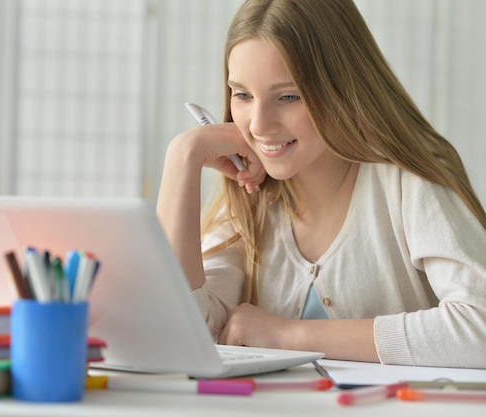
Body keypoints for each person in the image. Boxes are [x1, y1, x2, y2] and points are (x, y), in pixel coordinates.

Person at [156, 0, 486, 369]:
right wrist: (183, 157)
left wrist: (286, 336)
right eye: (243, 95)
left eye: (289, 97)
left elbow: (480, 328)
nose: (259, 125)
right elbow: (177, 335)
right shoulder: (248, 200)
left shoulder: (408, 182)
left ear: (342, 89)